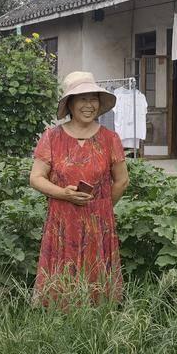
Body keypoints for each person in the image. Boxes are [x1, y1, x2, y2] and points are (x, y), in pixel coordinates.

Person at [29, 71, 129, 305]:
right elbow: (36, 177)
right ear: (70, 103)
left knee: (97, 284)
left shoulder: (109, 138)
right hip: (62, 222)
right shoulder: (52, 137)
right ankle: (60, 323)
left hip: (98, 223)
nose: (88, 105)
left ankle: (96, 325)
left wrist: (100, 207)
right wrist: (63, 194)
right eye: (82, 98)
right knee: (61, 281)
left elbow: (122, 180)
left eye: (93, 98)